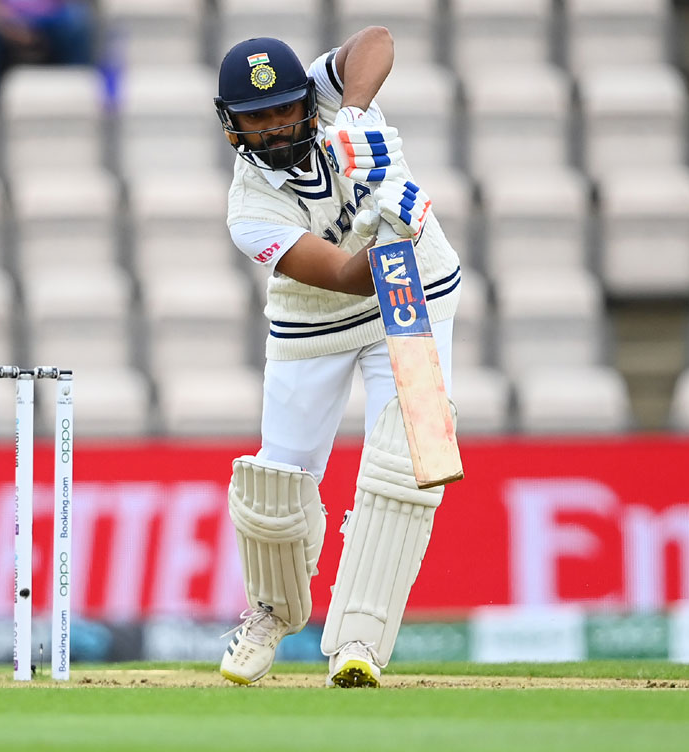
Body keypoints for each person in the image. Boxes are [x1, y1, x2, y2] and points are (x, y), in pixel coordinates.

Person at [211, 27, 462, 688]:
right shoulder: (249, 210)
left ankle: (359, 639)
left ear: (305, 98)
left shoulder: (325, 98)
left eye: (285, 108)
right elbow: (349, 278)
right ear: (232, 126)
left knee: (409, 457)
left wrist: (353, 117)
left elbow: (375, 40)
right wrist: (391, 225)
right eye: (257, 117)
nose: (276, 125)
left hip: (415, 291)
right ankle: (271, 612)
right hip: (316, 316)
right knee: (275, 480)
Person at [0, 0, 92, 88]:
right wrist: (11, 26)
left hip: (51, 17)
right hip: (2, 19)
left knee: (77, 25)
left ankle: (74, 100)